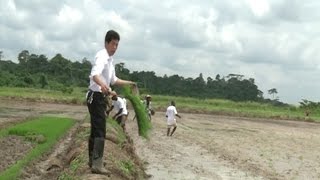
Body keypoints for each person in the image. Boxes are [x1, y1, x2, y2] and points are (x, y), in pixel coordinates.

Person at [86, 30, 137, 175]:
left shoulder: (110, 60)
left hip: (100, 97)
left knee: (96, 129)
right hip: (95, 96)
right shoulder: (102, 56)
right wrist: (105, 87)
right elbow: (95, 75)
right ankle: (97, 164)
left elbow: (114, 80)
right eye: (113, 44)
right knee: (100, 129)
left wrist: (129, 83)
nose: (115, 47)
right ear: (106, 43)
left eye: (117, 45)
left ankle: (93, 160)